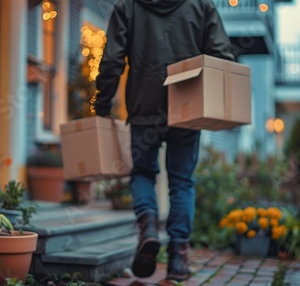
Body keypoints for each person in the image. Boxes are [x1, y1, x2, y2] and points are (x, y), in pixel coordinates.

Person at [94, 0, 235, 281]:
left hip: (144, 106)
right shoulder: (202, 6)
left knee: (144, 173)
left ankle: (147, 226)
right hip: (187, 104)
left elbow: (112, 59)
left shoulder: (128, 7)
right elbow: (221, 55)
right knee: (181, 182)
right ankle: (178, 258)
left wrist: (103, 101)